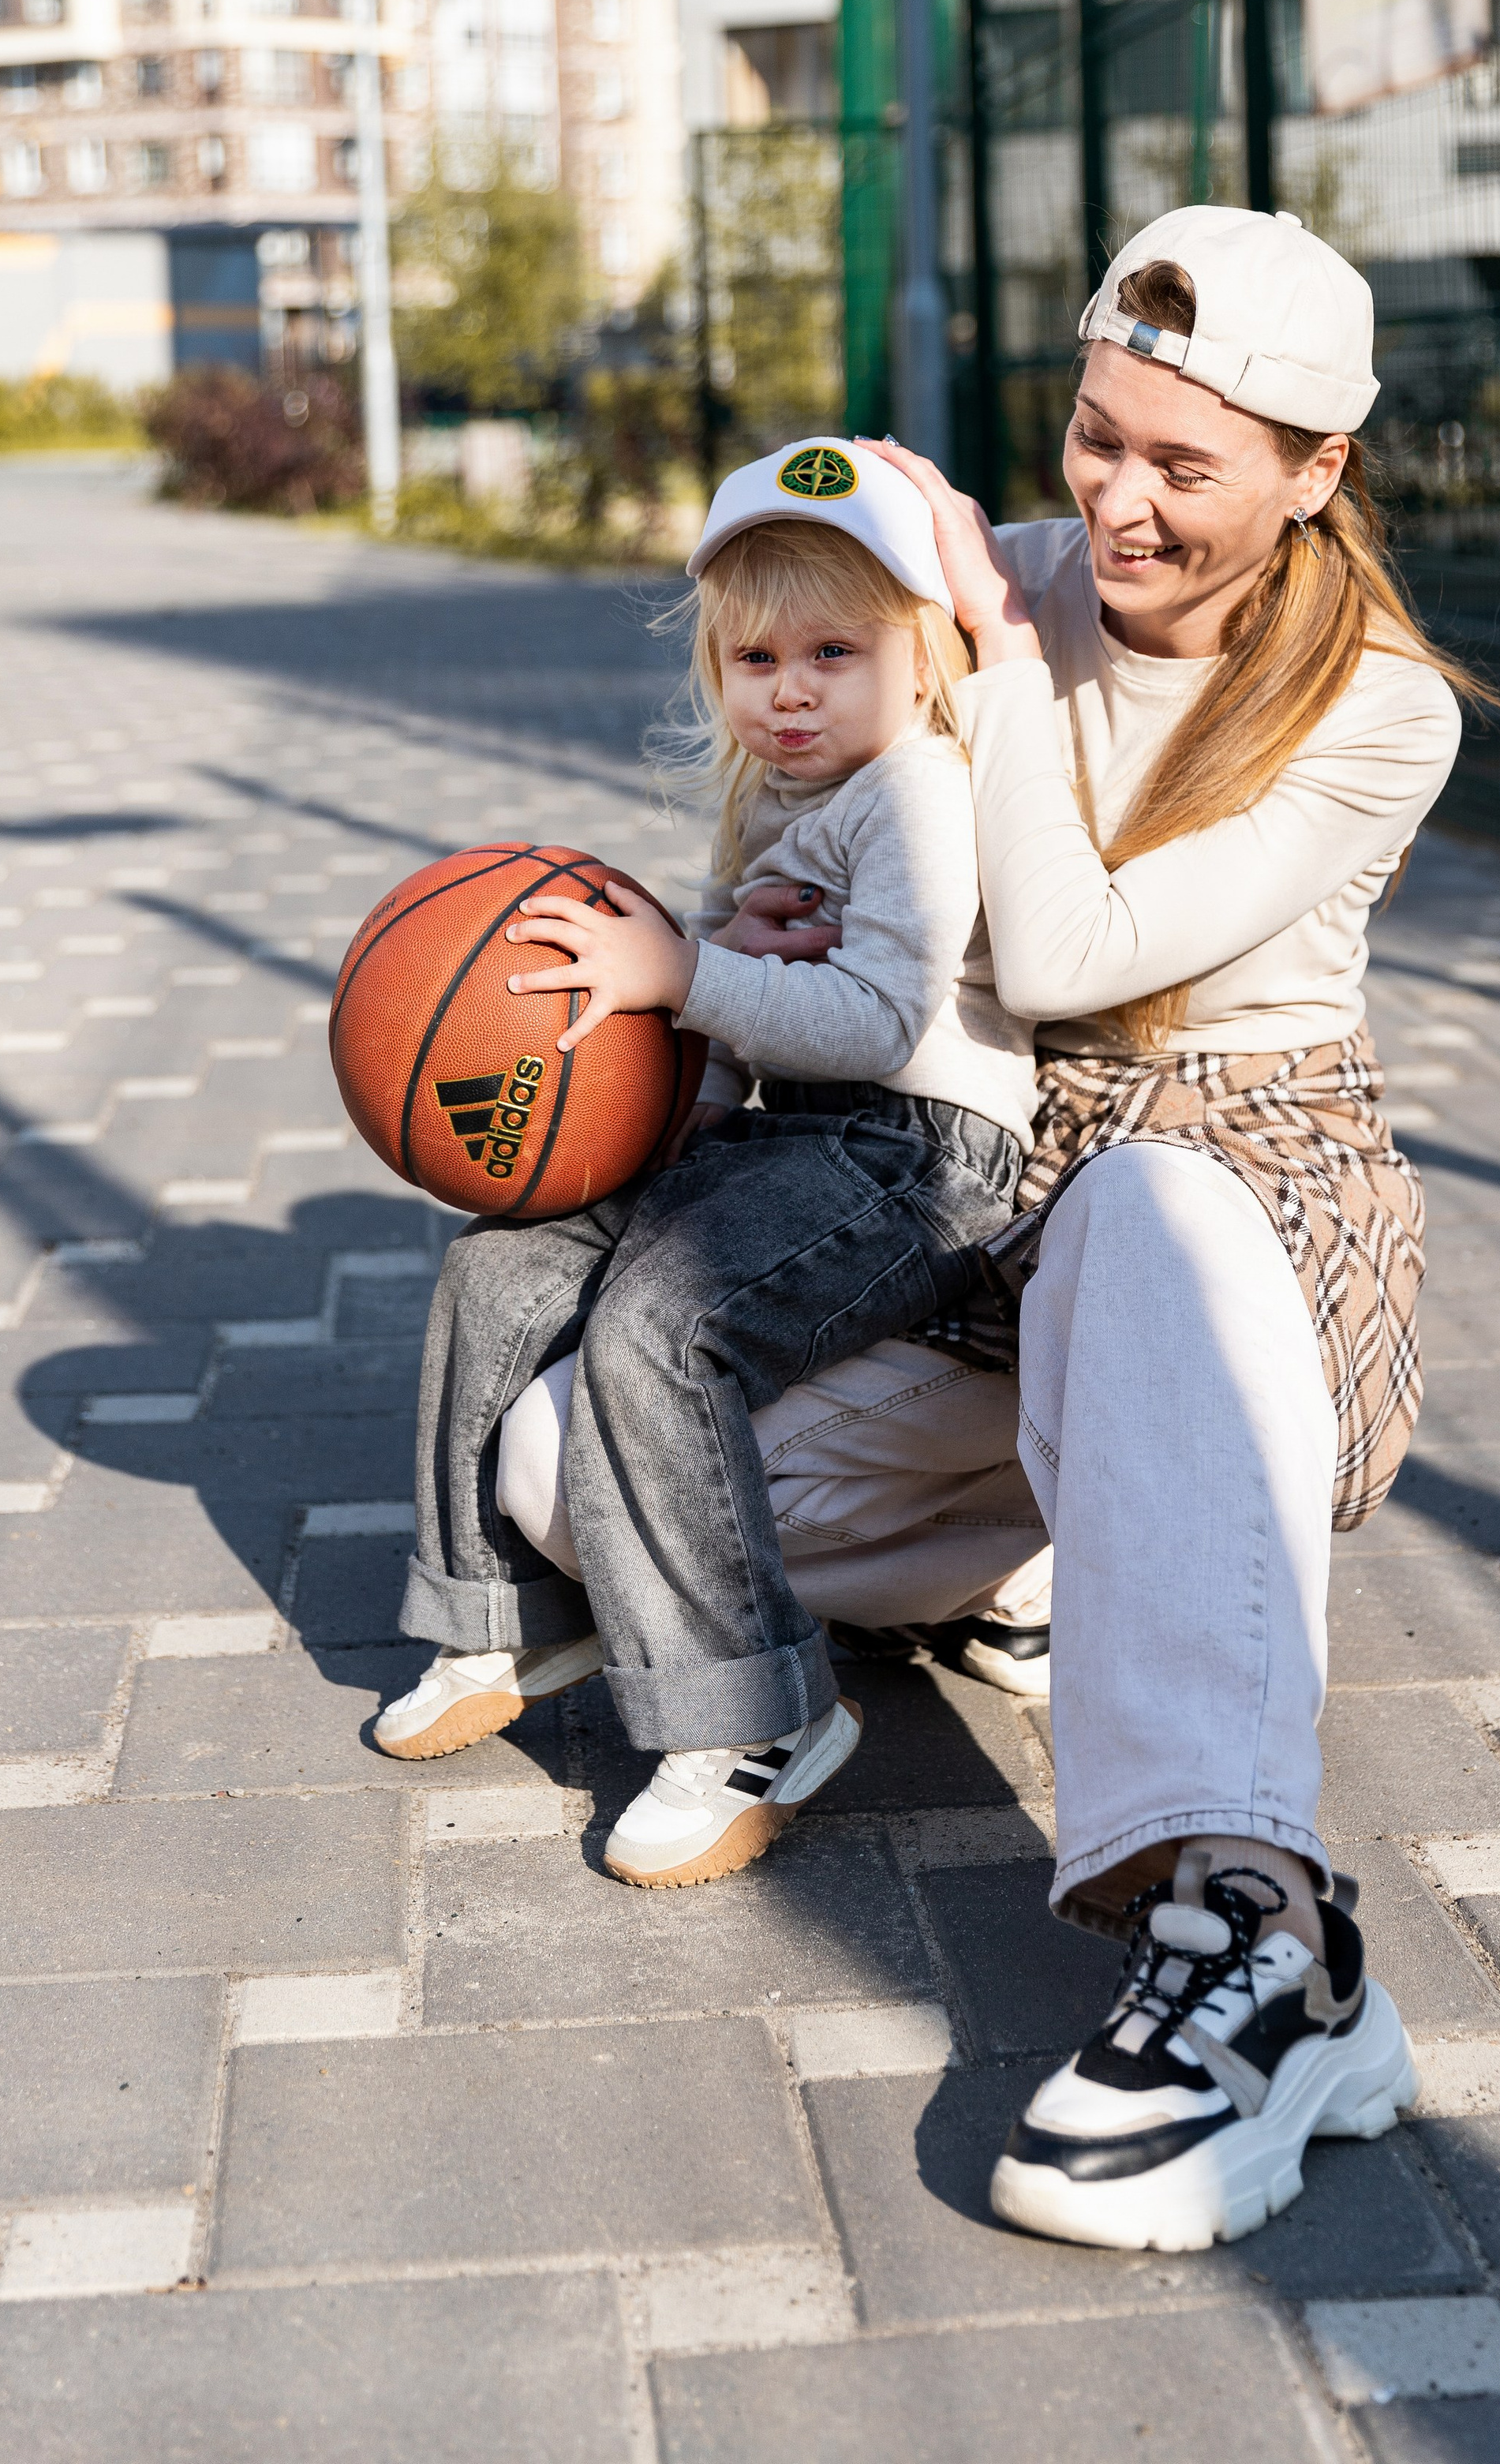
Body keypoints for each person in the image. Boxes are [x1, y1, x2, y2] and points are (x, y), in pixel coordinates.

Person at [739, 206, 1476, 2254]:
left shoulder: (1378, 707)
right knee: (652, 1503)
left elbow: (1068, 949)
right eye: (1094, 437)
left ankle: (1265, 1933)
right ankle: (1083, 1552)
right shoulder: (1018, 583)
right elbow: (835, 815)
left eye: (1185, 465)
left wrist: (968, 645)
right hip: (1004, 1190)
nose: (1118, 502)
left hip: (1246, 1200)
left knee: (1146, 1218)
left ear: (1316, 473)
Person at [372, 441, 1040, 1887]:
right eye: (755, 657)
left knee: (666, 1324)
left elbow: (873, 1021)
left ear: (923, 657)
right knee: (508, 1259)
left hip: (927, 1154)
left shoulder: (917, 792)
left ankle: (756, 1718)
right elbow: (727, 1043)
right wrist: (633, 1133)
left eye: (833, 652)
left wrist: (681, 972)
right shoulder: (764, 803)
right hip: (797, 1140)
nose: (788, 689)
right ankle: (504, 1614)